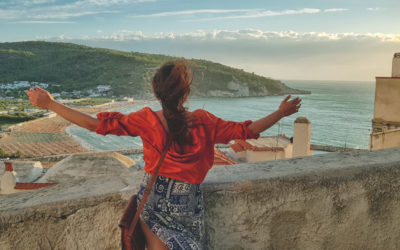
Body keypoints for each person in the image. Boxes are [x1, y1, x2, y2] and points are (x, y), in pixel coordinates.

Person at [25, 59, 301, 250]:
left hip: (154, 195)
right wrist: (280, 112)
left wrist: (50, 103)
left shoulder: (147, 120)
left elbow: (96, 125)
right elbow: (247, 130)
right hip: (188, 199)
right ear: (186, 92)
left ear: (156, 91)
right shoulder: (204, 121)